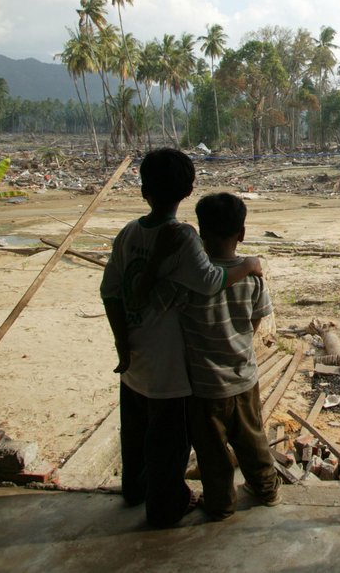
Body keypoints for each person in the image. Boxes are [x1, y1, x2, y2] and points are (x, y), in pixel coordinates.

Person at [100, 149, 262, 528]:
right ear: (189, 191)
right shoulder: (185, 237)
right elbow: (209, 282)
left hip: (135, 359)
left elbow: (110, 292)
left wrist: (122, 343)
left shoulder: (128, 233)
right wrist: (249, 265)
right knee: (169, 444)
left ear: (143, 191)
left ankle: (134, 490)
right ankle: (165, 508)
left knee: (136, 434)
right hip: (171, 365)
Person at [181, 192, 280, 521]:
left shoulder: (190, 278)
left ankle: (221, 502)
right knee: (252, 437)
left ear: (200, 233)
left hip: (203, 384)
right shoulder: (251, 276)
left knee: (211, 451)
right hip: (242, 377)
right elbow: (255, 321)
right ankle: (266, 488)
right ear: (242, 233)